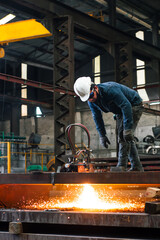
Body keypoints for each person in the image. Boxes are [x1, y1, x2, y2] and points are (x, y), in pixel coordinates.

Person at [74, 76, 144, 172]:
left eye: (90, 96)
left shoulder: (110, 90)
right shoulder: (92, 102)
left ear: (95, 88)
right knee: (126, 137)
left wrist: (128, 128)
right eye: (88, 99)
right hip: (120, 111)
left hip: (134, 105)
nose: (91, 99)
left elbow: (126, 105)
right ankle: (137, 167)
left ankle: (121, 166)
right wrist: (102, 135)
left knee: (123, 136)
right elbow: (97, 117)